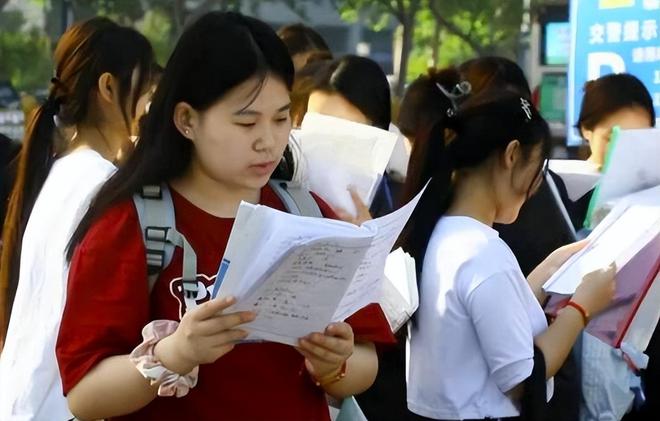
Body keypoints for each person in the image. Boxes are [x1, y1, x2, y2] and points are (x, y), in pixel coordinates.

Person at [56, 12, 390, 421]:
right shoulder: (133, 226)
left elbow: (364, 364)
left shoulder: (309, 215)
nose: (268, 140)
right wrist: (175, 353)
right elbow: (84, 396)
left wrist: (333, 364)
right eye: (246, 121)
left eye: (282, 118)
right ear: (186, 120)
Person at [401, 89, 616, 420]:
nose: (536, 186)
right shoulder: (482, 252)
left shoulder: (440, 234)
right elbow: (522, 379)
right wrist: (582, 307)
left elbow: (481, 325)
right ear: (512, 155)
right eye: (537, 168)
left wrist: (543, 275)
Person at [0, 17, 156, 420]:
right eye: (146, 88)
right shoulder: (105, 186)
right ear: (108, 88)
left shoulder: (62, 169)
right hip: (63, 404)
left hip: (26, 399)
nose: (149, 106)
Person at [574, 73, 656, 421]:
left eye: (639, 140)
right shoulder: (564, 200)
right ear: (586, 131)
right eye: (613, 138)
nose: (626, 154)